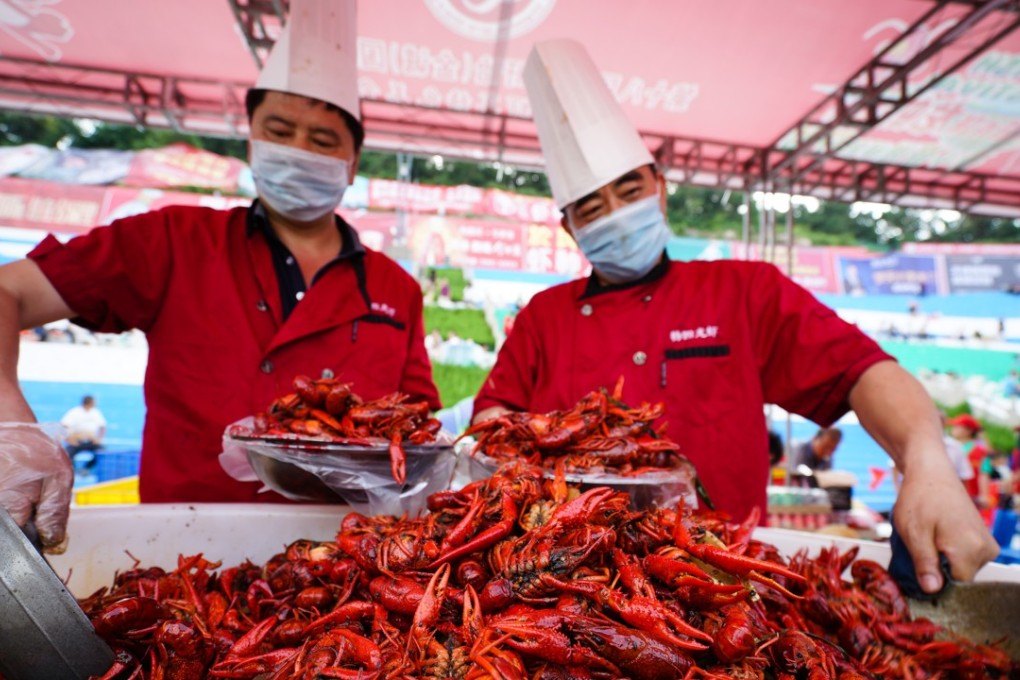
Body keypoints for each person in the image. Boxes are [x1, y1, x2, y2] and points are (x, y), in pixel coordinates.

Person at [473, 38, 997, 593]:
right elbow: (492, 421)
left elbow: (865, 372)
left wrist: (926, 460)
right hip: (565, 583)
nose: (617, 216)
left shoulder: (745, 291)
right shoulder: (544, 315)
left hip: (725, 580)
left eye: (630, 191)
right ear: (570, 227)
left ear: (661, 190)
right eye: (592, 208)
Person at [0, 0, 439, 552]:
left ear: (352, 163)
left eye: (323, 141)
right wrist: (10, 420)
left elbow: (420, 422)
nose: (299, 150)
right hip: (183, 542)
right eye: (279, 130)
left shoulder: (397, 288)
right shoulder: (170, 240)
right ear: (251, 140)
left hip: (347, 554)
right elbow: (8, 289)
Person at [60, 395, 107, 467]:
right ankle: (73, 472)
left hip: (91, 441)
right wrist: (68, 439)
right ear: (89, 402)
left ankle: (86, 468)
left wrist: (99, 439)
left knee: (102, 452)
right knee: (67, 455)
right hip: (76, 442)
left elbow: (103, 427)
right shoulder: (74, 412)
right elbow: (64, 426)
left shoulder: (95, 412)